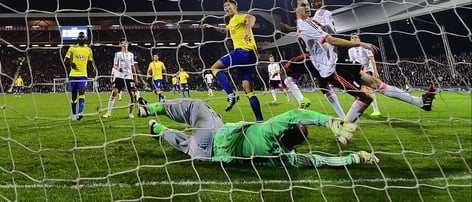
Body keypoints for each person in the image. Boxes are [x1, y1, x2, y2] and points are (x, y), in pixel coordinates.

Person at [290, 0, 436, 122]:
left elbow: (317, 28)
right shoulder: (305, 25)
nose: (308, 7)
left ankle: (420, 102)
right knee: (366, 97)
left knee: (375, 82)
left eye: (308, 4)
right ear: (296, 10)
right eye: (303, 5)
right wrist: (360, 43)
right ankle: (344, 128)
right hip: (331, 68)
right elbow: (331, 40)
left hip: (337, 60)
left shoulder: (307, 23)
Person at [136, 97, 379, 168]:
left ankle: (152, 108)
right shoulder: (288, 158)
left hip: (213, 136)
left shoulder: (269, 133)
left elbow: (295, 115)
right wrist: (355, 157)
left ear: (284, 132)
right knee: (187, 146)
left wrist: (330, 122)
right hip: (209, 157)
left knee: (196, 106)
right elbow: (320, 161)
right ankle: (158, 129)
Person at [205, 0, 264, 122]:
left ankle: (231, 95)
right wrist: (212, 27)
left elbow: (252, 18)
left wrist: (247, 29)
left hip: (243, 52)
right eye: (225, 7)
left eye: (229, 5)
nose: (227, 8)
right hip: (252, 57)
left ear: (235, 7)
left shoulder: (239, 17)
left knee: (214, 68)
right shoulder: (232, 22)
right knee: (248, 90)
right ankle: (260, 120)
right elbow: (224, 30)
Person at [103, 39, 141, 118]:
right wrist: (118, 69)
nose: (124, 44)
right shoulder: (118, 54)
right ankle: (108, 112)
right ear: (120, 45)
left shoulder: (131, 55)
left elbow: (132, 66)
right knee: (114, 92)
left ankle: (130, 113)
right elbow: (114, 65)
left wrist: (136, 76)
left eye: (125, 43)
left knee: (132, 95)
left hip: (129, 76)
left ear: (127, 44)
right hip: (120, 76)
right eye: (123, 43)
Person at [348, 33, 382, 116]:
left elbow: (371, 59)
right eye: (352, 38)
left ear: (359, 39)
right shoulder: (350, 50)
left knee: (369, 89)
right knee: (357, 91)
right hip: (358, 72)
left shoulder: (365, 47)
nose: (354, 39)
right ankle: (358, 110)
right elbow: (352, 63)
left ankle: (376, 110)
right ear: (350, 40)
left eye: (356, 37)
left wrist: (375, 70)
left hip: (367, 69)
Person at [64, 31, 96, 120]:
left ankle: (80, 112)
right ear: (78, 39)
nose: (81, 39)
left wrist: (93, 70)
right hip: (73, 75)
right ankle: (74, 114)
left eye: (83, 37)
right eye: (80, 37)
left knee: (82, 92)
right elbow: (65, 60)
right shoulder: (72, 48)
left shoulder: (88, 50)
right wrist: (71, 63)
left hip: (83, 75)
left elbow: (90, 62)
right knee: (74, 95)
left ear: (85, 39)